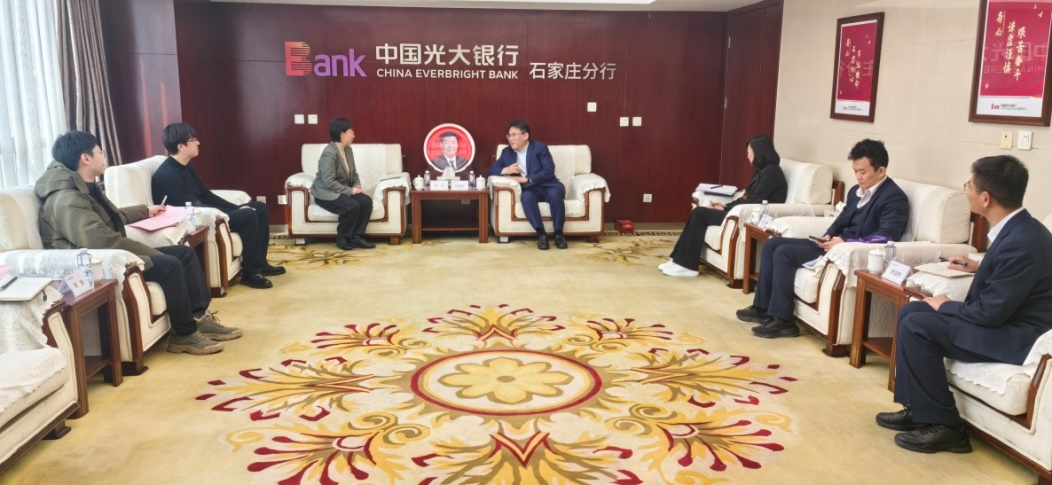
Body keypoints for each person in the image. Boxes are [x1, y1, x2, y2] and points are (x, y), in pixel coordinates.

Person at [876, 155, 1052, 454]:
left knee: (918, 324)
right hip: (1010, 322)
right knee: (913, 310)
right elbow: (1015, 278)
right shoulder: (1020, 228)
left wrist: (945, 304)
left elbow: (989, 313)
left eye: (968, 186)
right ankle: (919, 408)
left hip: (1017, 337)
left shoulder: (1022, 241)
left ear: (985, 198)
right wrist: (978, 267)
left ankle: (946, 427)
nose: (966, 191)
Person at [35, 131, 241, 355]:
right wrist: (150, 253)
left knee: (184, 253)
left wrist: (145, 211)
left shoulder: (83, 188)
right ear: (86, 158)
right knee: (170, 264)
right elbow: (99, 240)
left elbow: (108, 217)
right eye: (99, 152)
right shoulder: (66, 199)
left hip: (111, 252)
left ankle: (199, 317)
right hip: (96, 264)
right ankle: (184, 335)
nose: (104, 157)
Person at [736, 139, 909, 338]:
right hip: (834, 244)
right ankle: (762, 308)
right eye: (855, 171)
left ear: (881, 171)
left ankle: (783, 321)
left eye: (863, 172)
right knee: (772, 244)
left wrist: (845, 244)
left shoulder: (894, 197)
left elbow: (887, 235)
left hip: (848, 251)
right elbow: (841, 220)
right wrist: (828, 234)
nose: (858, 177)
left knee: (784, 252)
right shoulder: (856, 192)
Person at [151, 122, 285, 290]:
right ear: (181, 146)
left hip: (204, 210)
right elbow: (194, 208)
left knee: (259, 208)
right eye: (193, 140)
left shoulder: (186, 167)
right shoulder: (170, 175)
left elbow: (207, 195)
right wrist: (236, 212)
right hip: (194, 219)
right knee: (248, 215)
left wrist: (237, 208)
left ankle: (261, 263)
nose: (198, 143)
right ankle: (251, 273)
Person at [661, 134, 788, 277]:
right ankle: (678, 260)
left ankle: (688, 266)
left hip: (751, 216)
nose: (748, 157)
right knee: (698, 212)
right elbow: (746, 197)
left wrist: (728, 209)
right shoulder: (763, 170)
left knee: (699, 214)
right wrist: (725, 206)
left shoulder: (772, 173)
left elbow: (753, 201)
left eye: (750, 153)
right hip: (741, 211)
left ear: (759, 153)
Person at [487, 119, 567, 250]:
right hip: (530, 189)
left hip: (548, 185)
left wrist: (527, 179)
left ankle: (559, 234)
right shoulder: (507, 152)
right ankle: (541, 235)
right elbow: (491, 170)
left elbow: (549, 171)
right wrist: (506, 170)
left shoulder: (540, 148)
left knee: (555, 194)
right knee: (526, 197)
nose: (510, 138)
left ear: (525, 136)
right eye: (509, 135)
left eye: (514, 135)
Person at [311, 118, 375, 251]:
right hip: (326, 193)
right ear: (341, 134)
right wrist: (351, 191)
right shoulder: (329, 153)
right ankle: (342, 237)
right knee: (352, 206)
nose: (354, 135)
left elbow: (354, 173)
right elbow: (328, 181)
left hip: (341, 189)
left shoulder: (348, 150)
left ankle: (357, 237)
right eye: (351, 132)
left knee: (366, 201)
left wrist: (357, 186)